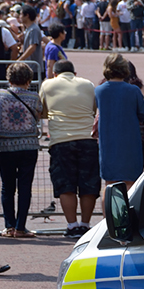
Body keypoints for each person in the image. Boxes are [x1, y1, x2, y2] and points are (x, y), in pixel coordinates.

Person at [39, 59, 99, 237]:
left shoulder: (47, 85)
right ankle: (85, 224)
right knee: (88, 185)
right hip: (87, 139)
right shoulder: (88, 84)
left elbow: (42, 111)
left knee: (66, 186)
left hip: (60, 141)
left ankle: (72, 225)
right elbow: (93, 109)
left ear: (55, 74)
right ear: (75, 73)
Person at [0, 62, 41, 238]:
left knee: (7, 186)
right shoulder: (34, 97)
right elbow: (38, 114)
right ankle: (21, 227)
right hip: (29, 146)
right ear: (28, 80)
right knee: (24, 186)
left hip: (5, 145)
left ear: (9, 78)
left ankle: (8, 226)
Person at [96, 54, 144, 191]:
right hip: (130, 144)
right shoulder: (134, 90)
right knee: (131, 185)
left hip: (108, 144)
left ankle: (108, 213)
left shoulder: (99, 91)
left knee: (109, 185)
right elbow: (143, 113)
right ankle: (129, 213)